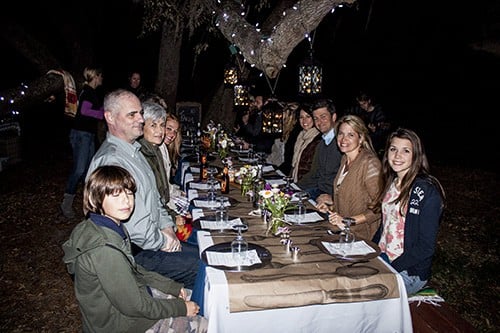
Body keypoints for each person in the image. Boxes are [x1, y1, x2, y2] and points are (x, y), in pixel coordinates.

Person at [62, 165, 207, 333]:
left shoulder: (110, 226)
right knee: (204, 325)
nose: (126, 201)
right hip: (117, 323)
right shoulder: (104, 249)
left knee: (195, 296)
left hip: (130, 302)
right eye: (116, 195)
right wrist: (180, 308)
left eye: (129, 193)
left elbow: (133, 269)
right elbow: (135, 306)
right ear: (96, 200)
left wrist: (170, 287)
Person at [86, 89, 200, 289]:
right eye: (132, 114)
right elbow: (133, 227)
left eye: (140, 113)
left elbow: (155, 198)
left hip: (153, 239)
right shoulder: (112, 161)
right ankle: (185, 313)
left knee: (206, 251)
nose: (140, 118)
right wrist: (162, 241)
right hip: (134, 254)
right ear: (110, 117)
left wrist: (167, 227)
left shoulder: (134, 151)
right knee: (204, 266)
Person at [373, 128, 445, 295]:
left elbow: (426, 247)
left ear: (417, 155)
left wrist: (391, 267)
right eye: (393, 149)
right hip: (383, 258)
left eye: (406, 150)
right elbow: (386, 224)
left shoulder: (426, 191)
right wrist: (370, 250)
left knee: (360, 295)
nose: (397, 156)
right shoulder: (392, 182)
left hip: (407, 271)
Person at [317, 115, 383, 241]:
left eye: (350, 135)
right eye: (341, 134)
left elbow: (379, 208)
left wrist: (349, 221)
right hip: (340, 229)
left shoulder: (370, 163)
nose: (343, 139)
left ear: (361, 138)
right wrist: (329, 208)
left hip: (360, 234)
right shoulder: (345, 159)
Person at [60, 66, 104, 218]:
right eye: (100, 76)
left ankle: (89, 205)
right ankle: (66, 204)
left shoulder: (91, 92)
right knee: (79, 170)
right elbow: (85, 111)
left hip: (88, 135)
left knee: (88, 172)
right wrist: (102, 113)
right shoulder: (88, 92)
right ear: (95, 77)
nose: (102, 79)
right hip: (81, 135)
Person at [297, 98, 342, 202]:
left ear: (334, 117)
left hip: (333, 197)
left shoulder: (342, 143)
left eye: (323, 117)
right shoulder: (322, 143)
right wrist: (293, 188)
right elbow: (314, 175)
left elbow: (348, 180)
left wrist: (334, 199)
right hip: (319, 191)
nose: (319, 122)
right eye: (316, 118)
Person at [346, 91, 390, 155]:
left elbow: (384, 128)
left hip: (375, 144)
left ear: (369, 101)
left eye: (364, 104)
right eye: (360, 104)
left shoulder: (379, 112)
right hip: (362, 140)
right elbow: (347, 113)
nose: (362, 106)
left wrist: (375, 130)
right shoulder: (359, 110)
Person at [266, 102, 301, 174]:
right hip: (276, 167)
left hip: (285, 172)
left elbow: (288, 162)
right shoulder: (280, 132)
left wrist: (275, 171)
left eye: (283, 119)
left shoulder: (295, 134)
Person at [290, 103, 322, 182]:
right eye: (301, 117)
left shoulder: (318, 139)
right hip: (295, 180)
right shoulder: (300, 136)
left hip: (307, 184)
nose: (304, 121)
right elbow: (294, 165)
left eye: (308, 117)